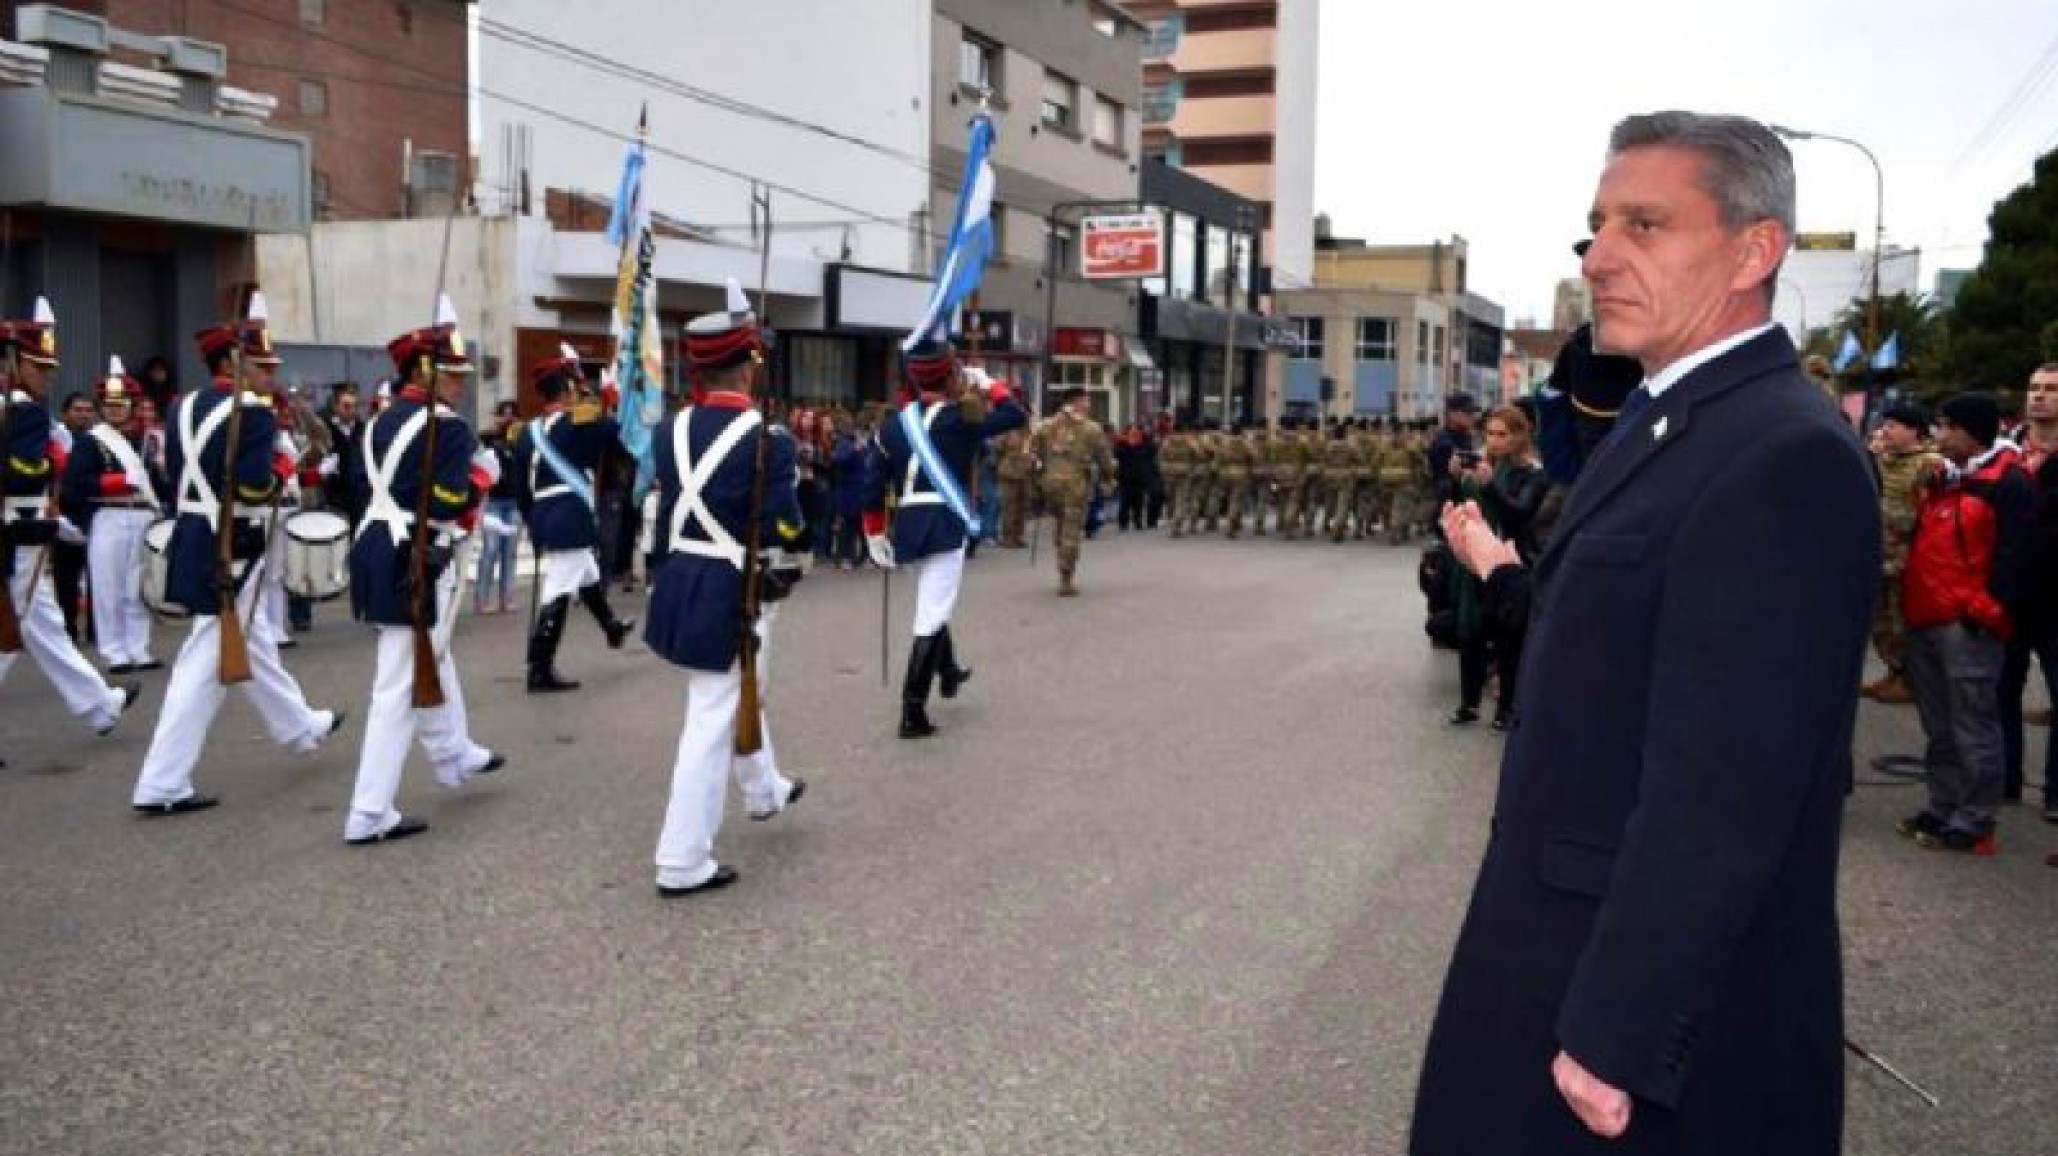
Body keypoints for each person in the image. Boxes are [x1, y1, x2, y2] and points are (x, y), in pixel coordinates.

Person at [1410, 112, 1878, 1156]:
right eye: (1596, 226)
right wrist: (1511, 577)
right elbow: (1635, 650)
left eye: (1645, 225)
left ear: (1755, 251)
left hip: (1641, 1019)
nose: (1599, 257)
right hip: (1562, 936)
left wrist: (1622, 1027)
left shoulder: (1779, 455)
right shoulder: (1676, 419)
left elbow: (1726, 787)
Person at [130, 303, 346, 816]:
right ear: (232, 362)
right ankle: (161, 781)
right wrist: (286, 461)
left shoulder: (182, 406)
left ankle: (299, 726)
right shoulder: (250, 414)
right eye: (264, 366)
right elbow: (252, 486)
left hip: (193, 532)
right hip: (231, 541)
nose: (273, 375)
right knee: (203, 663)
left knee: (251, 641)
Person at [646, 295, 808, 897]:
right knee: (709, 720)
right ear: (746, 367)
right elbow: (785, 526)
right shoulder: (768, 439)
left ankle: (764, 789)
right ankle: (682, 858)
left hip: (682, 577)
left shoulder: (670, 429)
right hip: (730, 584)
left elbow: (665, 514)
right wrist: (794, 534)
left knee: (734, 696)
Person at [340, 313, 504, 845]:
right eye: (452, 373)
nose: (460, 383)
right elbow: (449, 502)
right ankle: (369, 810)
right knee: (397, 684)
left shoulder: (379, 422)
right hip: (414, 553)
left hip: (376, 546)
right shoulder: (448, 428)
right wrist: (482, 477)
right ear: (427, 372)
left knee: (434, 654)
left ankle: (452, 751)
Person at [861, 337, 1025, 738]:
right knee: (931, 614)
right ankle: (911, 711)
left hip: (908, 528)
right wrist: (988, 384)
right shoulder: (960, 419)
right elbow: (1014, 414)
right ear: (952, 375)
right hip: (943, 523)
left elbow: (872, 482)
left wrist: (874, 530)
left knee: (933, 602)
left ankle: (948, 669)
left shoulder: (892, 424)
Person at [1896, 391, 2036, 853]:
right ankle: (1943, 804)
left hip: (1965, 623)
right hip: (1925, 617)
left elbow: (2018, 554)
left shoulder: (2008, 482)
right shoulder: (1943, 478)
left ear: (1970, 430)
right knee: (1940, 724)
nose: (1939, 435)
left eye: (1947, 426)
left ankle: (1976, 817)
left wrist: (1985, 608)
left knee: (1973, 722)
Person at [0, 301, 141, 738]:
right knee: (9, 628)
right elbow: (21, 475)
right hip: (19, 529)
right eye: (38, 367)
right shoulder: (23, 411)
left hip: (20, 527)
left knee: (45, 626)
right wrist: (50, 464)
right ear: (16, 362)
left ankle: (99, 704)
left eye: (48, 367)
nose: (47, 375)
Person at [514, 346, 636, 693]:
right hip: (570, 517)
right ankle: (539, 667)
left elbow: (523, 490)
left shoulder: (526, 433)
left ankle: (611, 627)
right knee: (558, 591)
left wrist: (534, 524)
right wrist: (604, 399)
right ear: (568, 388)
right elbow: (618, 432)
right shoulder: (580, 425)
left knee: (586, 575)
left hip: (545, 517)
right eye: (576, 385)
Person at [61, 358, 167, 673]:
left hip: (141, 514)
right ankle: (114, 651)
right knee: (108, 585)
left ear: (133, 406)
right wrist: (117, 482)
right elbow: (75, 484)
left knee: (138, 584)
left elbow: (156, 483)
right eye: (109, 405)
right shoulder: (91, 441)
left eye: (121, 404)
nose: (115, 410)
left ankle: (139, 648)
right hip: (109, 515)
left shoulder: (145, 441)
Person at [1445, 406, 1547, 731]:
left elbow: (1520, 514)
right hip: (1472, 562)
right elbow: (1457, 508)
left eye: (1503, 434)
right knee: (1470, 630)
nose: (1494, 441)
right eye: (1490, 433)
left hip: (1509, 563)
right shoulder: (1480, 465)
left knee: (1508, 636)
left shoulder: (1531, 473)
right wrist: (1454, 480)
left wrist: (1490, 486)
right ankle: (1468, 703)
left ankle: (1505, 707)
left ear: (1520, 436)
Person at [2001, 363, 2057, 819]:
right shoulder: (2007, 454)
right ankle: (2006, 781)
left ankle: (2055, 793)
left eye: (2051, 390)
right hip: (2012, 596)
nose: (2040, 397)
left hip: (2055, 599)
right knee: (2003, 689)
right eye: (2035, 387)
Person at [1862, 402, 1943, 704]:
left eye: (1894, 425)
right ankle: (1893, 672)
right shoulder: (1882, 459)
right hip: (1879, 555)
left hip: (1908, 557)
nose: (1886, 430)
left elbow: (1930, 510)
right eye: (1885, 424)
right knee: (1882, 621)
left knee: (1901, 622)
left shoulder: (1929, 463)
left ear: (1915, 431)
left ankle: (1910, 680)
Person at [1030, 386, 1116, 596]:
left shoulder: (1045, 426)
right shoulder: (1091, 428)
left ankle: (1062, 563)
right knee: (1071, 530)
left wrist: (1037, 482)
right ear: (1076, 402)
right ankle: (1066, 577)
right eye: (1086, 401)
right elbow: (1105, 459)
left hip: (1050, 484)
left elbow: (1032, 456)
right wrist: (1109, 479)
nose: (1089, 405)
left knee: (1060, 527)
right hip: (1075, 485)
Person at [51, 391, 95, 642]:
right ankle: (67, 628)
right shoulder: (55, 438)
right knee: (66, 578)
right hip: (64, 512)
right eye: (78, 409)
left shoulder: (98, 439)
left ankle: (95, 630)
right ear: (66, 413)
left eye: (88, 410)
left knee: (97, 578)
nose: (83, 415)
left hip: (91, 513)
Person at [474, 400, 522, 614]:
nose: (509, 419)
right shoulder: (489, 439)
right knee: (490, 550)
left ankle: (507, 597)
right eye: (505, 414)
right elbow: (480, 440)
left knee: (509, 552)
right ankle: (482, 599)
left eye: (513, 415)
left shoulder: (521, 440)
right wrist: (497, 427)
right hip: (492, 501)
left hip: (514, 501)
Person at [1114, 423, 1152, 531]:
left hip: (1139, 477)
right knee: (1125, 501)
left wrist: (1139, 443)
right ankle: (1123, 522)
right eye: (1132, 432)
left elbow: (1149, 453)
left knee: (1138, 501)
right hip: (1125, 477)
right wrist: (1128, 445)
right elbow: (1118, 454)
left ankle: (1137, 520)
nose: (1134, 435)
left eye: (1136, 432)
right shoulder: (1122, 443)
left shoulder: (1144, 443)